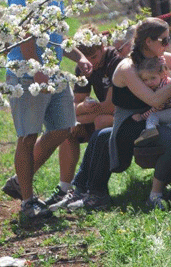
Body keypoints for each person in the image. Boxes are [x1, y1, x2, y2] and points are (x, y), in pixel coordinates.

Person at [2, 0, 93, 219]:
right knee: (28, 136)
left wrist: (78, 56)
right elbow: (24, 32)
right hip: (28, 75)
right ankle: (28, 203)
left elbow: (56, 38)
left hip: (52, 71)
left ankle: (19, 181)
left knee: (64, 128)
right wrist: (37, 70)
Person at [107, 18, 171, 210]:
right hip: (132, 122)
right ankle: (155, 195)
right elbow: (154, 100)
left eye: (169, 39)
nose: (167, 44)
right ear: (148, 42)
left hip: (157, 115)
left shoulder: (158, 57)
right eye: (164, 40)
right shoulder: (128, 67)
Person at [43, 25, 122, 211]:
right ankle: (65, 188)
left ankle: (87, 187)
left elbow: (111, 107)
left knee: (98, 122)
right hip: (100, 117)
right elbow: (74, 108)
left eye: (94, 57)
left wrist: (84, 112)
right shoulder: (84, 65)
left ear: (102, 48)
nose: (91, 64)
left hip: (119, 117)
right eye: (87, 59)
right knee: (69, 129)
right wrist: (84, 107)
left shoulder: (114, 62)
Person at [131, 56, 171, 146]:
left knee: (153, 116)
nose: (149, 82)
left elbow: (157, 108)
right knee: (163, 121)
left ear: (161, 74)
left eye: (153, 78)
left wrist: (142, 117)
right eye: (145, 80)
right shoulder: (167, 81)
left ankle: (150, 131)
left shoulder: (162, 88)